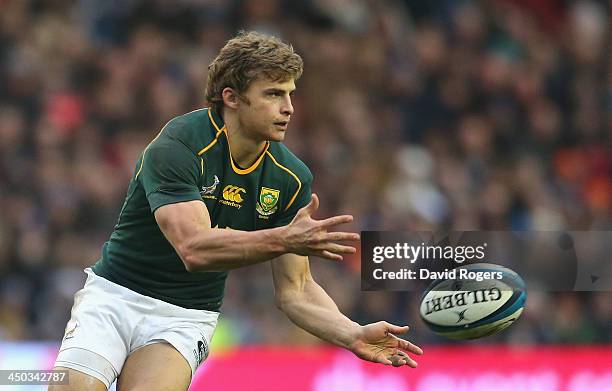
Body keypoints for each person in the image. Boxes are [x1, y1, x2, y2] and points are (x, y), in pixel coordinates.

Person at [50, 31, 423, 391]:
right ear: (232, 97)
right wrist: (282, 238)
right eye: (274, 94)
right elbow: (193, 248)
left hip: (183, 315)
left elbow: (295, 291)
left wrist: (352, 333)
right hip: (116, 296)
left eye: (290, 94)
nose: (289, 107)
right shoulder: (179, 144)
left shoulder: (290, 178)